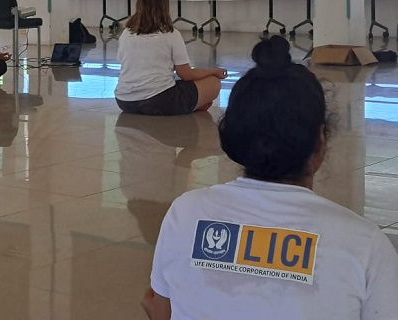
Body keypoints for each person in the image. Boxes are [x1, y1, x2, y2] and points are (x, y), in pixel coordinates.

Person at [141, 36, 398, 320]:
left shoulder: (185, 213)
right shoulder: (364, 244)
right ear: (320, 142)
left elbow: (162, 307)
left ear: (235, 136)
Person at [115, 0, 223, 115]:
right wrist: (212, 72)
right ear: (165, 7)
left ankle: (193, 104)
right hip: (160, 101)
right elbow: (186, 74)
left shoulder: (126, 33)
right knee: (213, 83)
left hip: (124, 101)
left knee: (177, 84)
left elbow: (124, 62)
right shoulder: (170, 33)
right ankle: (192, 105)